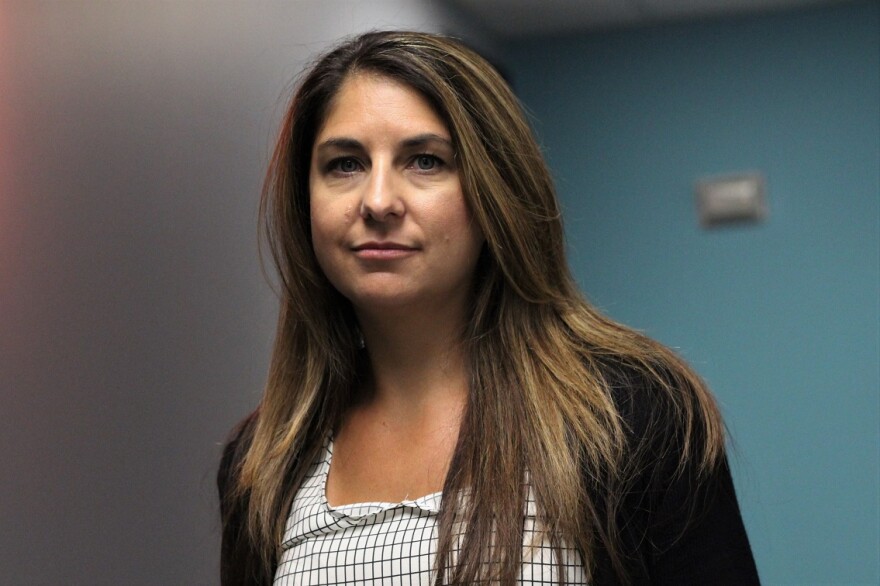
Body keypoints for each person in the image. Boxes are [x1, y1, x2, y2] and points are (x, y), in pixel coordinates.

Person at [218, 30, 760, 585]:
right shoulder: (266, 463)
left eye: (425, 160)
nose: (378, 201)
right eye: (345, 164)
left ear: (495, 190)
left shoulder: (630, 415)